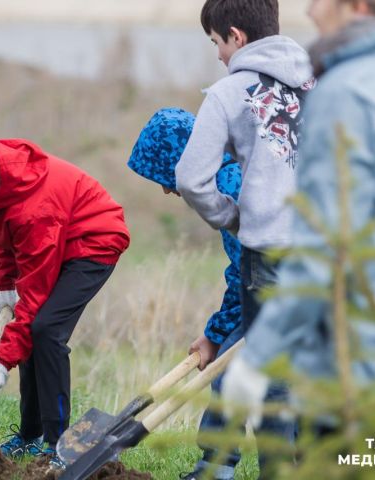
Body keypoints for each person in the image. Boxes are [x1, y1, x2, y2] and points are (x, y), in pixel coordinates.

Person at [222, 1, 375, 477]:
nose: (309, 9)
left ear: (357, 6)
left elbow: (326, 241)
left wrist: (259, 356)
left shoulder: (345, 91)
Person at [174, 0, 314, 476]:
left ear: (235, 35)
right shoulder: (322, 81)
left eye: (215, 42)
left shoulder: (229, 92)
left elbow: (192, 178)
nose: (217, 54)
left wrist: (232, 217)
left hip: (272, 248)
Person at [0, 134, 130, 468]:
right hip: (57, 238)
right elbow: (3, 239)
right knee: (31, 329)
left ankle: (57, 443)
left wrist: (2, 361)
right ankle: (30, 434)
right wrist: (2, 285)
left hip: (93, 242)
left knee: (46, 331)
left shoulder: (33, 209)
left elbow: (34, 296)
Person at [128, 107, 244, 480]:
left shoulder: (231, 187)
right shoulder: (230, 173)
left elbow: (248, 275)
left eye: (165, 175)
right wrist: (214, 333)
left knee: (234, 374)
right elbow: (243, 273)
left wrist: (217, 335)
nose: (164, 189)